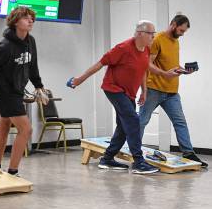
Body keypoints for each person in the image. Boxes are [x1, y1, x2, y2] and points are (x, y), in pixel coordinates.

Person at [69, 20, 178, 175]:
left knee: (123, 126)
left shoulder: (146, 49)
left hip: (129, 93)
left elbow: (142, 69)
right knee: (133, 120)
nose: (153, 36)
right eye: (150, 34)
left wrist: (144, 90)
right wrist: (80, 79)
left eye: (154, 33)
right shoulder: (123, 48)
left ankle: (107, 159)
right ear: (140, 33)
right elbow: (100, 64)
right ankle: (138, 162)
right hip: (113, 88)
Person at [0, 6, 49, 176]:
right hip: (5, 92)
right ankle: (13, 171)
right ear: (15, 22)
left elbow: (32, 66)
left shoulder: (31, 41)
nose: (30, 21)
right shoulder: (5, 46)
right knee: (26, 130)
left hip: (17, 91)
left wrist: (38, 86)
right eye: (26, 18)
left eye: (32, 18)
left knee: (4, 127)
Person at [138, 15, 206, 167]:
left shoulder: (175, 41)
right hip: (154, 89)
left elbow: (169, 65)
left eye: (184, 31)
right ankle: (135, 151)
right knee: (142, 121)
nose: (182, 34)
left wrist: (183, 70)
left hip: (171, 92)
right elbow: (147, 64)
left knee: (180, 121)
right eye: (181, 30)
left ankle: (189, 153)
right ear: (173, 24)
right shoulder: (157, 39)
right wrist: (163, 74)